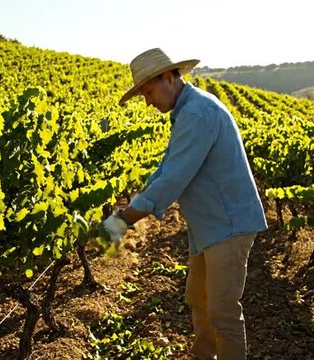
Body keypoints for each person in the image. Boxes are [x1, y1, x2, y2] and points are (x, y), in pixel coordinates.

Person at [101, 48, 267, 360]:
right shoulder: (189, 110)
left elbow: (172, 181)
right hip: (208, 225)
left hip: (227, 224)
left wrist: (121, 221)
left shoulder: (196, 113)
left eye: (148, 92)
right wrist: (130, 207)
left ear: (168, 77)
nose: (148, 102)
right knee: (198, 299)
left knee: (223, 312)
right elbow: (165, 170)